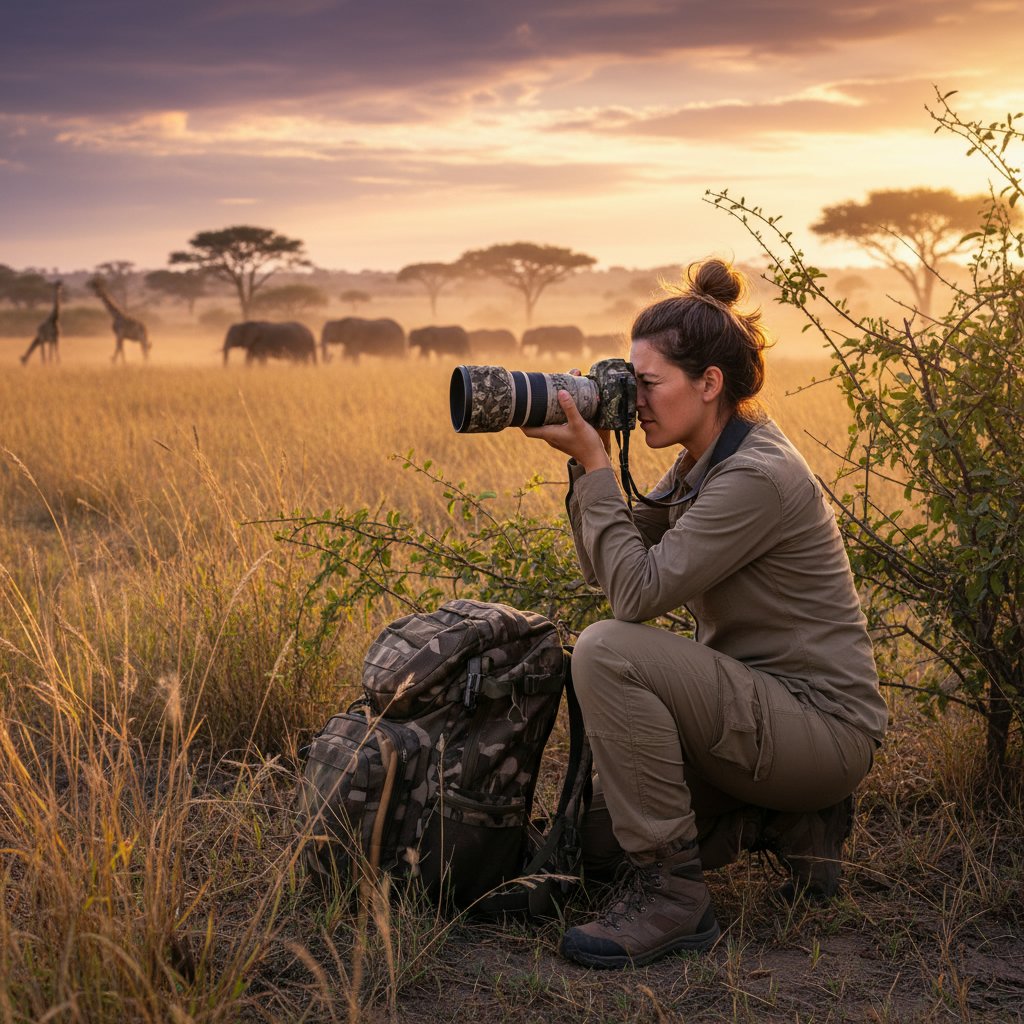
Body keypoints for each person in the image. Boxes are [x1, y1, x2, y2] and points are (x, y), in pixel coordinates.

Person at [521, 257, 888, 970]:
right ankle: (782, 819)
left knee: (606, 648)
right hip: (759, 712)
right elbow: (607, 566)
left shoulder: (755, 475)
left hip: (821, 727)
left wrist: (597, 468)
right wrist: (583, 460)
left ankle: (674, 897)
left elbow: (631, 598)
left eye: (648, 384)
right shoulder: (706, 457)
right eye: (630, 383)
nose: (635, 402)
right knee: (590, 846)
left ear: (709, 383)